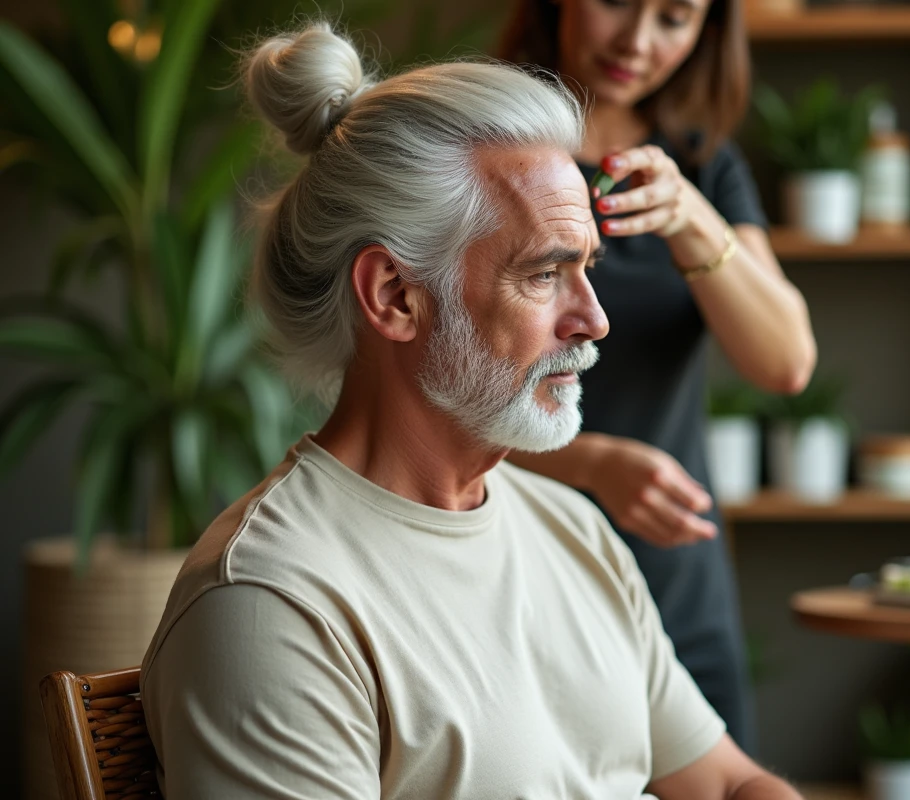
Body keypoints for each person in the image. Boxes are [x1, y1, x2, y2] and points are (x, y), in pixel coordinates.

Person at [139, 23, 805, 800]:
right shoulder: (271, 606)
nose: (594, 319)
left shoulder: (575, 532)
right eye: (543, 274)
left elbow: (730, 785)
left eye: (585, 267)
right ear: (394, 296)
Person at [498, 0, 818, 751]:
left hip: (674, 573)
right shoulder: (483, 148)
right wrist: (589, 465)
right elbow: (416, 392)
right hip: (516, 561)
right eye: (616, 1)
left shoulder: (702, 165)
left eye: (675, 16)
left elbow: (786, 362)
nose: (638, 41)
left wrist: (689, 215)